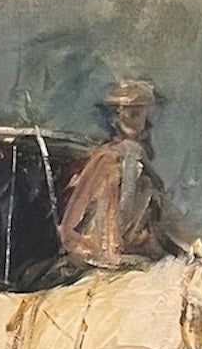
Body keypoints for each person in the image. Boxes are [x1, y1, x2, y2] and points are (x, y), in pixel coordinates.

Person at [55, 79, 178, 270]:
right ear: (115, 118)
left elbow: (156, 216)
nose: (132, 120)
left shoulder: (138, 156)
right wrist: (94, 247)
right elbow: (75, 220)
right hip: (108, 251)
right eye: (127, 113)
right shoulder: (108, 158)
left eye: (138, 114)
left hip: (139, 248)